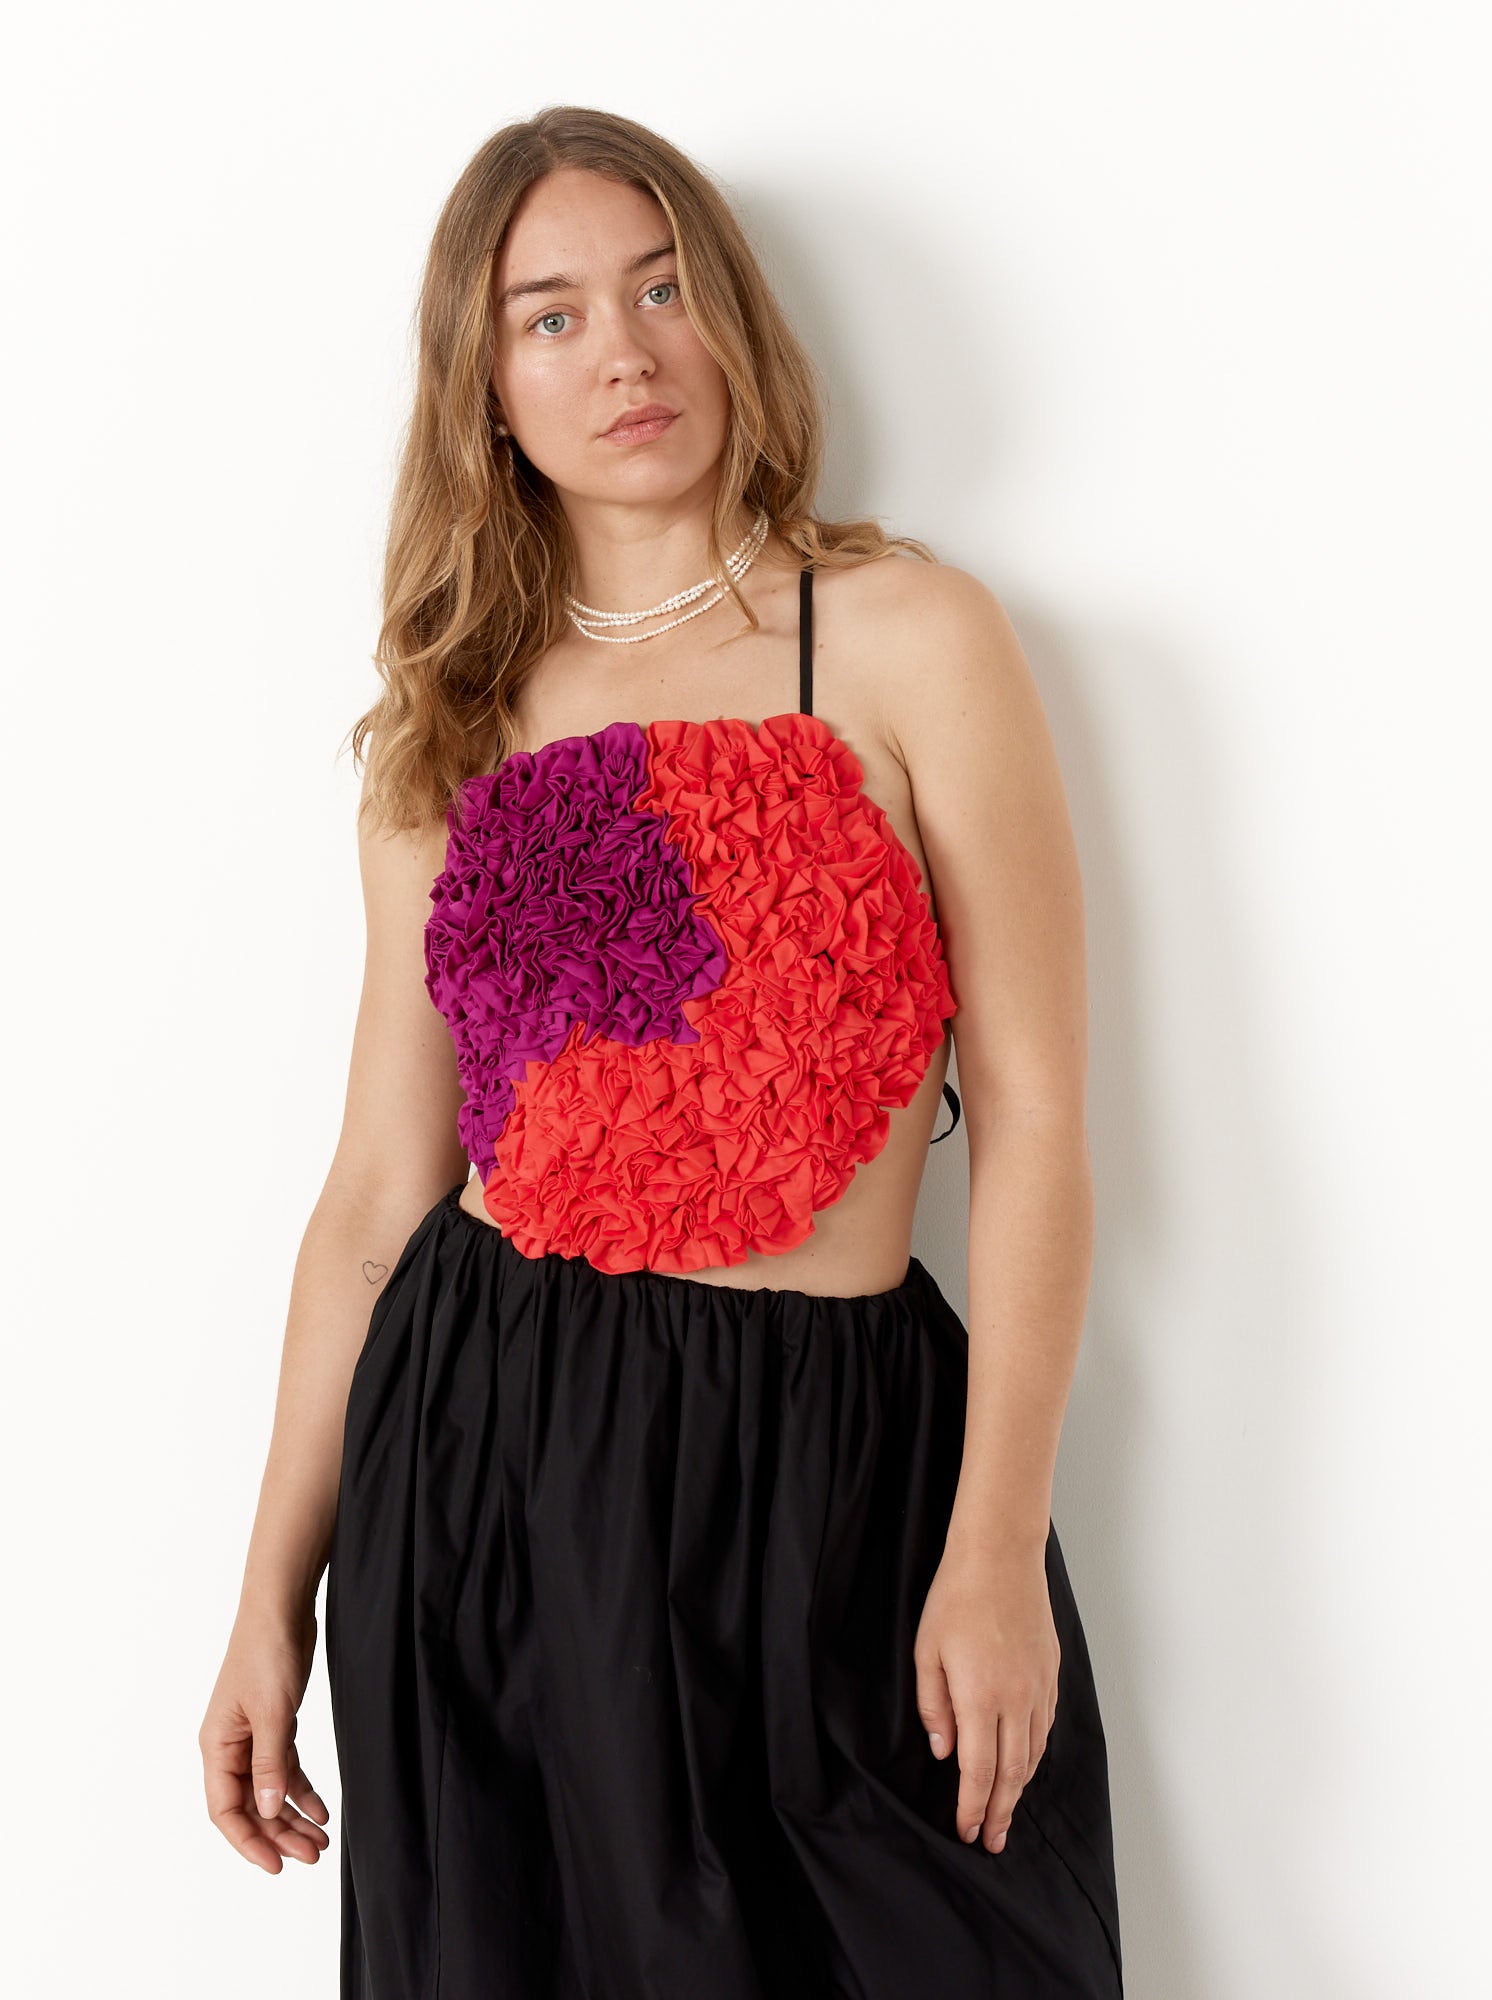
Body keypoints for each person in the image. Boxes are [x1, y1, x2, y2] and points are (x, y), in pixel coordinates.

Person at [198, 105, 1122, 1999]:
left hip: (844, 1478)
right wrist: (267, 1601)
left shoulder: (909, 637)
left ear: (735, 319)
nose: (622, 350)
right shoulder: (451, 724)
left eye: (663, 286)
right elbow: (379, 1194)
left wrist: (996, 1545)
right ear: (485, 388)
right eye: (549, 317)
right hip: (496, 1475)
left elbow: (1035, 1116)